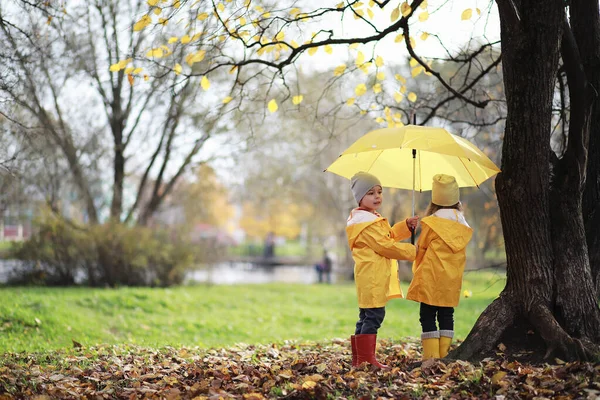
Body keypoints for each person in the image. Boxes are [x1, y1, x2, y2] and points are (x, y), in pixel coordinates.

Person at [346, 172, 418, 369]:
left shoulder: (371, 219)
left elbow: (389, 235)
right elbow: (385, 246)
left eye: (379, 191)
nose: (377, 196)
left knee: (366, 317)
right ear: (360, 197)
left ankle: (359, 360)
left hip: (371, 276)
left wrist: (405, 226)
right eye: (371, 193)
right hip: (372, 277)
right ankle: (366, 360)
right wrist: (412, 251)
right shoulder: (365, 224)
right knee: (374, 316)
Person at [406, 174, 473, 360]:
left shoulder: (431, 224)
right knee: (446, 315)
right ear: (456, 201)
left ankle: (431, 357)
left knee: (427, 315)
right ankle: (444, 356)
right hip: (451, 280)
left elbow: (422, 249)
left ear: (434, 201)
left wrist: (414, 253)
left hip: (431, 277)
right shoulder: (462, 226)